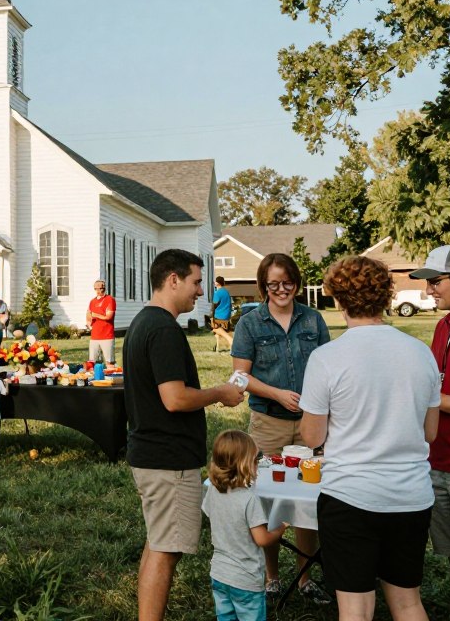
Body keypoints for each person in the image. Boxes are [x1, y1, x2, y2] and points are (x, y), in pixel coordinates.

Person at [300, 256, 440, 621]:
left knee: (356, 609)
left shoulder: (327, 357)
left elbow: (313, 435)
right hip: (410, 495)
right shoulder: (420, 353)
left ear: (338, 299)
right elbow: (431, 432)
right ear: (385, 297)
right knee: (408, 602)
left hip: (350, 496)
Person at [123, 249, 244, 621]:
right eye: (195, 282)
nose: (200, 292)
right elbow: (174, 399)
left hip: (151, 454)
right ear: (172, 279)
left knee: (157, 545)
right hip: (167, 459)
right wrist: (220, 394)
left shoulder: (144, 323)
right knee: (165, 550)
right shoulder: (162, 329)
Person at [230, 253, 331, 605]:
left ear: (297, 284)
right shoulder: (250, 323)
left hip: (310, 425)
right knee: (268, 501)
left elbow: (328, 368)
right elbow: (239, 376)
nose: (281, 290)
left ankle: (304, 578)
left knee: (308, 501)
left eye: (287, 283)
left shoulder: (313, 320)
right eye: (273, 284)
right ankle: (271, 576)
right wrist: (276, 393)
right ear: (263, 286)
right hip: (268, 422)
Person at [410, 245, 450, 621]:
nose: (430, 290)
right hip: (438, 461)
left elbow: (439, 394)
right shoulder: (443, 325)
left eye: (436, 281)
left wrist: (432, 397)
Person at [203, 430, 288, 621]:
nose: (258, 465)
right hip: (246, 579)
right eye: (256, 460)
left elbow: (210, 513)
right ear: (244, 464)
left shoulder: (214, 491)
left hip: (219, 574)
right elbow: (262, 539)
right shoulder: (250, 499)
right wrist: (282, 526)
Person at [87, 279, 116, 365]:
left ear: (105, 288)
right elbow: (88, 313)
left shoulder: (110, 299)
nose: (99, 290)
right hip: (94, 336)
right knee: (92, 362)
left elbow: (109, 316)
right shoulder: (92, 301)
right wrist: (89, 323)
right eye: (97, 288)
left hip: (107, 336)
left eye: (101, 288)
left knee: (109, 362)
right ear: (94, 289)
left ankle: (112, 377)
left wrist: (96, 315)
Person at [211, 276, 234, 353]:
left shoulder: (218, 293)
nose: (214, 283)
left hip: (219, 315)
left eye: (215, 282)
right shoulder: (226, 292)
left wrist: (211, 314)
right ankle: (218, 346)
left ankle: (227, 343)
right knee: (226, 331)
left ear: (217, 283)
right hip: (227, 315)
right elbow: (230, 304)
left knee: (215, 328)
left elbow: (214, 304)